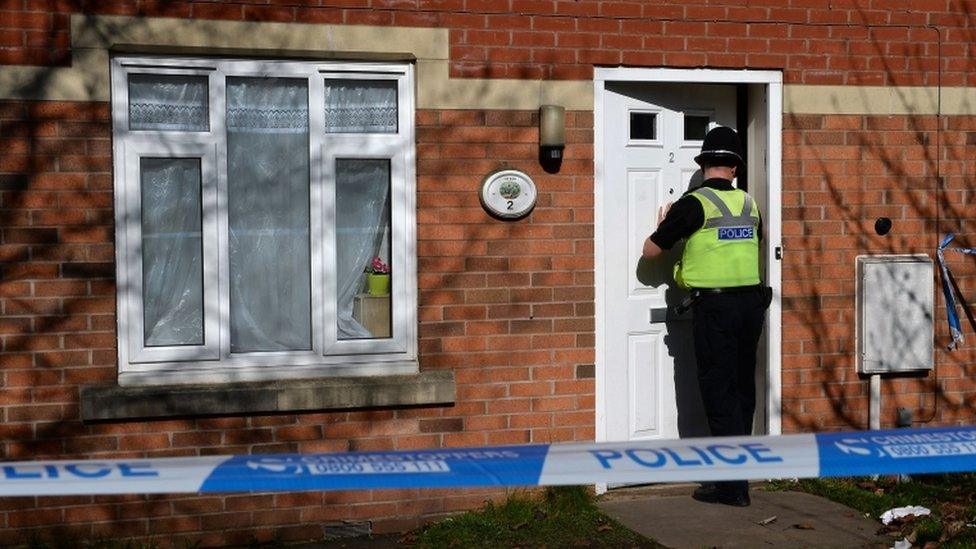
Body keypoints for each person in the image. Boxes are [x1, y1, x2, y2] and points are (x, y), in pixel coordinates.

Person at [642, 126, 768, 507]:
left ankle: (731, 487)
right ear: (735, 167)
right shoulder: (750, 204)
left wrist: (664, 224)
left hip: (715, 309)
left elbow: (650, 251)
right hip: (751, 304)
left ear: (704, 165)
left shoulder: (692, 203)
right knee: (743, 389)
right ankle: (739, 476)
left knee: (719, 391)